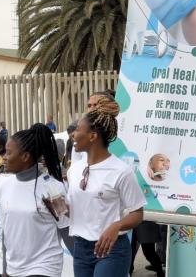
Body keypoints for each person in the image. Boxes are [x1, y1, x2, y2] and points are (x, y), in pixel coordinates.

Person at [68, 96, 145, 276]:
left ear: (93, 136)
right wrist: (60, 208)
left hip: (111, 250)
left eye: (78, 130)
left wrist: (116, 226)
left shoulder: (121, 170)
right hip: (80, 248)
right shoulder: (75, 169)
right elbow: (76, 207)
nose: (73, 134)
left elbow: (138, 213)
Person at [0, 123, 72, 277]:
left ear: (25, 157)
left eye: (8, 153)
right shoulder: (2, 184)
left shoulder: (52, 189)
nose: (4, 158)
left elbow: (65, 229)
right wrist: (4, 270)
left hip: (44, 268)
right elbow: (7, 232)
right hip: (14, 269)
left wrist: (86, 263)